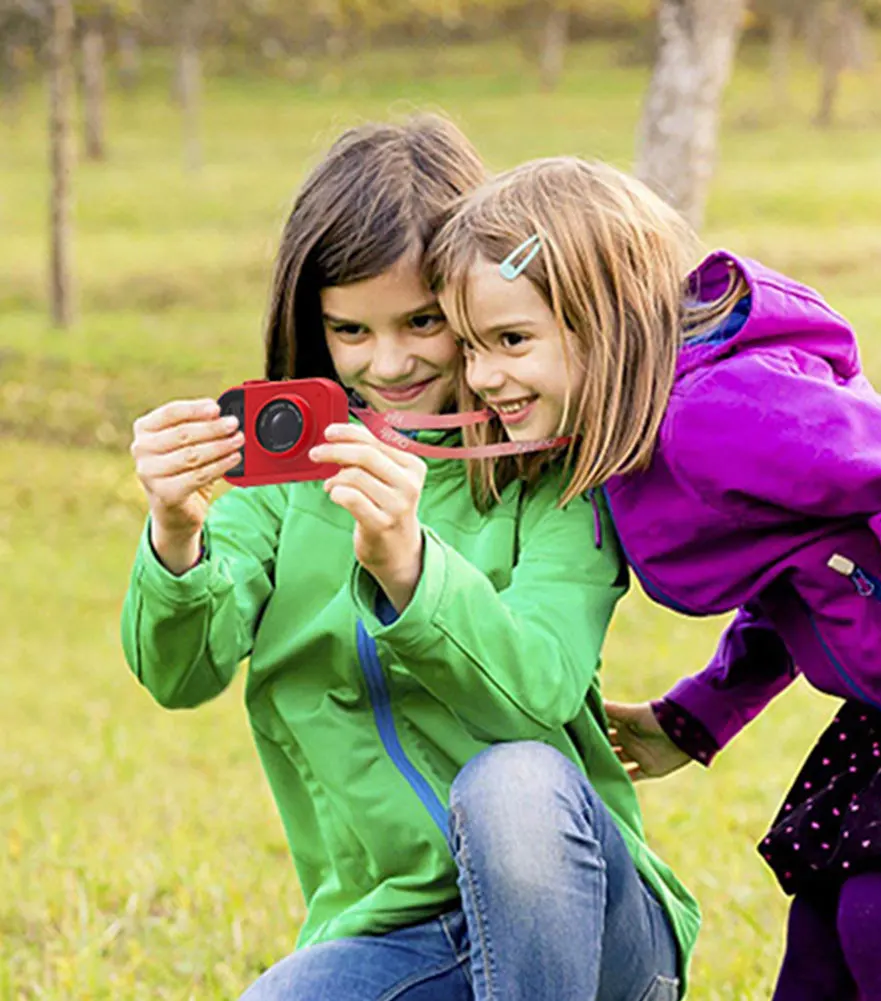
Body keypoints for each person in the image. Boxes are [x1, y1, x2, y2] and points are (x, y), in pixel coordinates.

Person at [121, 120, 698, 1001]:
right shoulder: (286, 487)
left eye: (423, 322)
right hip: (400, 932)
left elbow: (537, 689)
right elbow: (180, 672)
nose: (385, 362)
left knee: (514, 780)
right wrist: (175, 534)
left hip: (591, 927)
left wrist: (409, 568)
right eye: (348, 330)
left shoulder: (551, 476)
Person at [423, 155, 881, 1001]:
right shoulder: (645, 434)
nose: (482, 376)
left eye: (511, 341)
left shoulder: (711, 414)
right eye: (470, 346)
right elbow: (800, 571)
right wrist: (696, 716)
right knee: (824, 917)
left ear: (608, 322)